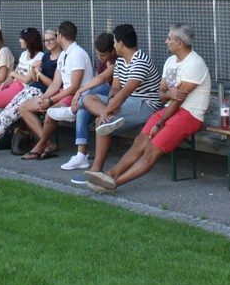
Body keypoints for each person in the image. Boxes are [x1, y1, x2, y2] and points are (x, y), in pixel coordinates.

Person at [84, 24, 210, 193]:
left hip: (190, 115)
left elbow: (178, 100)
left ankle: (115, 183)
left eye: (169, 38)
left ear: (179, 43)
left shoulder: (194, 64)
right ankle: (109, 175)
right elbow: (161, 93)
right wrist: (168, 94)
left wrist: (161, 122)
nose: (165, 41)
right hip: (167, 110)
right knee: (140, 142)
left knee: (151, 150)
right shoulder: (170, 61)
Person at [67, 23, 163, 183]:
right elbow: (116, 88)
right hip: (127, 102)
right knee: (87, 98)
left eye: (114, 42)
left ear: (121, 44)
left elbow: (125, 92)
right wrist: (110, 105)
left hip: (145, 105)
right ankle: (109, 120)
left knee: (101, 124)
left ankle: (95, 171)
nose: (113, 45)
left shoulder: (140, 61)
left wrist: (106, 111)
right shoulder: (120, 62)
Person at [0, 27, 59, 156]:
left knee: (8, 114)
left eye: (51, 40)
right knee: (6, 113)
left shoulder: (53, 58)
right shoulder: (45, 57)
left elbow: (48, 82)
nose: (47, 43)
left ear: (59, 39)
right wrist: (12, 78)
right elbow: (29, 77)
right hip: (31, 88)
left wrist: (36, 73)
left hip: (40, 91)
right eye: (45, 40)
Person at [18, 21, 92, 159]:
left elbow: (74, 87)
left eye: (57, 35)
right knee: (24, 107)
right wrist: (44, 97)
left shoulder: (77, 54)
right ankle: (48, 143)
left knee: (50, 112)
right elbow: (56, 82)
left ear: (61, 36)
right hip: (64, 93)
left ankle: (40, 145)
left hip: (77, 96)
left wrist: (51, 101)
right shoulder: (64, 54)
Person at [52, 32, 117, 172]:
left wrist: (80, 91)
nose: (100, 58)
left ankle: (71, 111)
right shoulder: (103, 60)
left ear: (113, 50)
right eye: (98, 55)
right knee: (82, 112)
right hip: (98, 100)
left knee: (100, 86)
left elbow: (102, 79)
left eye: (103, 55)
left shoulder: (118, 61)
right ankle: (81, 155)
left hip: (115, 97)